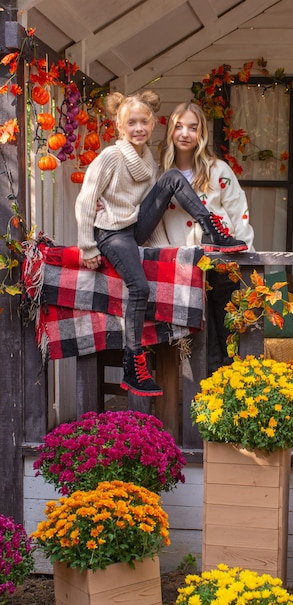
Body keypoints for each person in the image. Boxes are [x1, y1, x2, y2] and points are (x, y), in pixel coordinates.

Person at [75, 91, 248, 397]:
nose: (139, 127)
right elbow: (86, 201)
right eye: (132, 122)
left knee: (171, 178)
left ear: (154, 123)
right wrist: (87, 245)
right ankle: (133, 366)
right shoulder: (112, 157)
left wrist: (162, 252)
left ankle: (214, 231)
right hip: (114, 233)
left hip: (153, 238)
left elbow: (146, 211)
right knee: (142, 291)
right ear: (119, 125)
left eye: (144, 121)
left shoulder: (151, 163)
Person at [148, 101, 255, 372]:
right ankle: (204, 398)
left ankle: (231, 391)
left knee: (228, 330)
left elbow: (238, 209)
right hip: (184, 266)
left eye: (192, 128)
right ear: (171, 130)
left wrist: (247, 255)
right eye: (179, 126)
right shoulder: (158, 173)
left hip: (222, 262)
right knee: (199, 339)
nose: (185, 133)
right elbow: (147, 211)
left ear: (201, 133)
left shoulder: (218, 170)